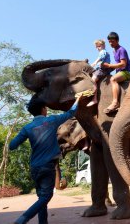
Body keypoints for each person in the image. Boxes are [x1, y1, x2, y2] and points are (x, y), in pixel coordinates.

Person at [9, 96, 82, 224]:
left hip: (34, 168)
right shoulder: (52, 121)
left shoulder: (27, 128)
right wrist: (78, 99)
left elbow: (12, 146)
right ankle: (23, 219)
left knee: (41, 198)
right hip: (47, 167)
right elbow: (71, 113)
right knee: (46, 197)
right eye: (45, 107)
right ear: (43, 109)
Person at [102, 31, 130, 113]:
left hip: (125, 72)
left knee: (113, 79)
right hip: (119, 72)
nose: (111, 43)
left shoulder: (121, 50)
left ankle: (115, 103)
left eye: (113, 41)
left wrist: (110, 66)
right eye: (109, 42)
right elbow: (117, 65)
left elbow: (123, 64)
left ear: (117, 41)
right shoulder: (114, 51)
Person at [87, 39, 111, 107]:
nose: (98, 48)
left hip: (102, 69)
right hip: (100, 69)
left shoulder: (103, 51)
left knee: (93, 80)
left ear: (103, 45)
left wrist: (95, 62)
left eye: (99, 46)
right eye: (96, 47)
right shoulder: (103, 51)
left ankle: (94, 99)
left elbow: (101, 57)